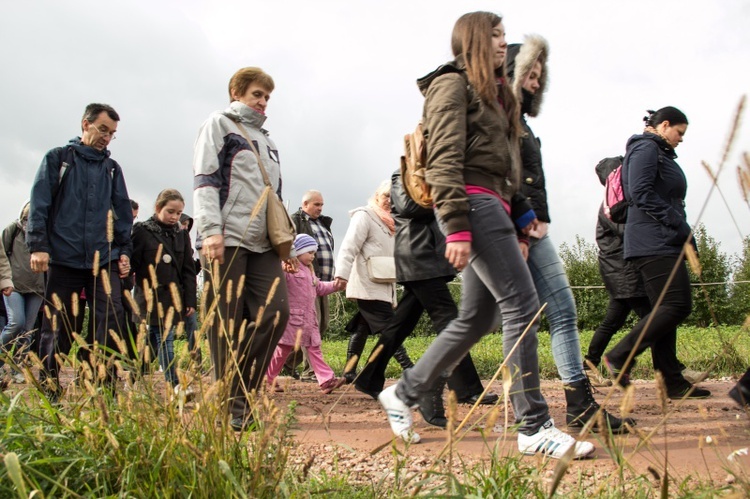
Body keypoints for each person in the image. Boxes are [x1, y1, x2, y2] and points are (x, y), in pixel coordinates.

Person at [377, 11, 594, 459]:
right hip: (471, 204)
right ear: (474, 39)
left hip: (494, 205)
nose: (503, 43)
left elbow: (510, 172)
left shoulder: (499, 97)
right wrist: (455, 225)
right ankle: (533, 425)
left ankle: (405, 391)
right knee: (524, 306)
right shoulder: (450, 84)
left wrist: (521, 222)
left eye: (504, 35)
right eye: (495, 35)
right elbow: (442, 158)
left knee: (479, 318)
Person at [506, 36, 632, 433]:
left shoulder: (521, 121)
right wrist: (522, 229)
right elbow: (503, 178)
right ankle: (415, 387)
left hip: (530, 227)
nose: (536, 81)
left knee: (554, 312)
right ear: (512, 73)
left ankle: (577, 403)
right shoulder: (502, 119)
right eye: (529, 73)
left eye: (540, 75)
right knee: (494, 319)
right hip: (515, 228)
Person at [355, 170, 498, 427]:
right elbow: (409, 206)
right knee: (450, 320)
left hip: (429, 260)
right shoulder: (402, 175)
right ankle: (465, 388)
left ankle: (368, 377)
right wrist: (443, 194)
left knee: (400, 325)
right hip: (417, 260)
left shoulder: (432, 174)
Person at [193, 67, 291, 431]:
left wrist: (286, 243)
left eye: (267, 96)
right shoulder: (218, 124)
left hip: (264, 243)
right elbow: (205, 179)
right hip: (227, 237)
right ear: (236, 92)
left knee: (276, 313)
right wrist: (210, 230)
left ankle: (236, 390)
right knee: (225, 324)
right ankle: (235, 408)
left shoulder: (269, 141)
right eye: (257, 94)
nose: (263, 102)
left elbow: (275, 196)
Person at [27, 103, 133, 401]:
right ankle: (49, 385)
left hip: (104, 260)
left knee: (110, 322)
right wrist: (38, 245)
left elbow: (123, 213)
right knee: (57, 327)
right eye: (103, 130)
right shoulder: (58, 159)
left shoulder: (113, 170)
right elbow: (40, 204)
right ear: (85, 124)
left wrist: (124, 250)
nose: (107, 138)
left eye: (112, 134)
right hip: (63, 258)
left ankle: (104, 388)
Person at [603, 107, 711, 400]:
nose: (681, 140)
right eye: (680, 133)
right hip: (654, 241)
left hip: (662, 239)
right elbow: (640, 192)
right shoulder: (645, 149)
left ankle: (672, 382)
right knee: (677, 305)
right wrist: (678, 223)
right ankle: (620, 356)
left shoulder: (656, 151)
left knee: (665, 311)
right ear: (664, 125)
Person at [334, 181, 413, 384]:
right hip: (366, 281)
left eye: (393, 197)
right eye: (386, 195)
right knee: (390, 326)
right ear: (377, 195)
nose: (389, 200)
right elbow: (349, 246)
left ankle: (349, 372)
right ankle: (409, 369)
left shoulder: (392, 223)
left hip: (384, 282)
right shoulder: (365, 215)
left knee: (363, 326)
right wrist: (341, 274)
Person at [583, 158, 652, 386]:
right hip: (624, 272)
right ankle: (670, 371)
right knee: (654, 319)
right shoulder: (611, 206)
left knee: (612, 322)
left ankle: (590, 366)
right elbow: (630, 232)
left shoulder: (615, 203)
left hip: (621, 272)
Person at [130, 189, 197, 398]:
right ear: (158, 208)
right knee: (163, 339)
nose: (174, 217)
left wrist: (189, 300)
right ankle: (176, 385)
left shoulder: (181, 234)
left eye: (178, 213)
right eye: (170, 211)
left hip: (172, 297)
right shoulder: (141, 231)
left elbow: (188, 269)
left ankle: (134, 376)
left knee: (153, 340)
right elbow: (133, 263)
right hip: (148, 296)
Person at [266, 234, 345, 394]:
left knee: (314, 348)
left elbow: (320, 287)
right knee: (283, 349)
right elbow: (274, 283)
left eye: (314, 253)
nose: (312, 256)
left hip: (309, 320)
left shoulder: (309, 272)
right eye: (309, 252)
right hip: (293, 320)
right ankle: (267, 378)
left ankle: (327, 380)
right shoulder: (288, 268)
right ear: (298, 251)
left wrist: (336, 286)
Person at [285, 190, 335, 381]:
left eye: (322, 205)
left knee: (322, 324)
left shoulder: (323, 223)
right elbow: (289, 245)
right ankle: (310, 371)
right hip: (304, 282)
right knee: (309, 327)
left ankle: (286, 363)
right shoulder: (296, 220)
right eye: (317, 205)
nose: (320, 209)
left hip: (321, 281)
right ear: (305, 204)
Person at [0, 203, 44, 384]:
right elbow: (3, 255)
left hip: (37, 287)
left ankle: (18, 367)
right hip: (14, 285)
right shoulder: (13, 230)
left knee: (28, 330)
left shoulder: (44, 235)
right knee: (15, 323)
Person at [179, 212, 202, 370]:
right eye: (184, 224)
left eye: (188, 225)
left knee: (192, 327)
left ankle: (197, 364)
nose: (185, 228)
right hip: (170, 293)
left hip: (186, 293)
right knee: (160, 333)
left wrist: (198, 263)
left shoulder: (188, 244)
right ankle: (143, 365)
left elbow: (190, 271)